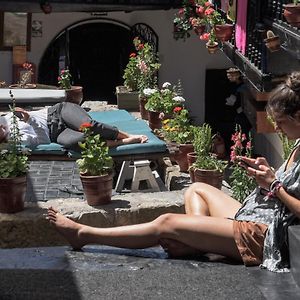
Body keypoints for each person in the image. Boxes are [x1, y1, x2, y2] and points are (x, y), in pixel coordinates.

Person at [47, 72, 300, 272]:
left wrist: (274, 185)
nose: (276, 128)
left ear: (298, 116)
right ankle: (195, 242)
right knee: (197, 189)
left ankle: (83, 234)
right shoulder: (297, 143)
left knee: (166, 223)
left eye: (281, 122)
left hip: (266, 234)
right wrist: (267, 172)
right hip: (256, 215)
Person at [0, 102, 148, 150]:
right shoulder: (15, 140)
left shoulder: (5, 118)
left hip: (58, 112)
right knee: (78, 142)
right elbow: (43, 140)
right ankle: (123, 142)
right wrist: (30, 119)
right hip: (55, 134)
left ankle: (128, 135)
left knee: (88, 125)